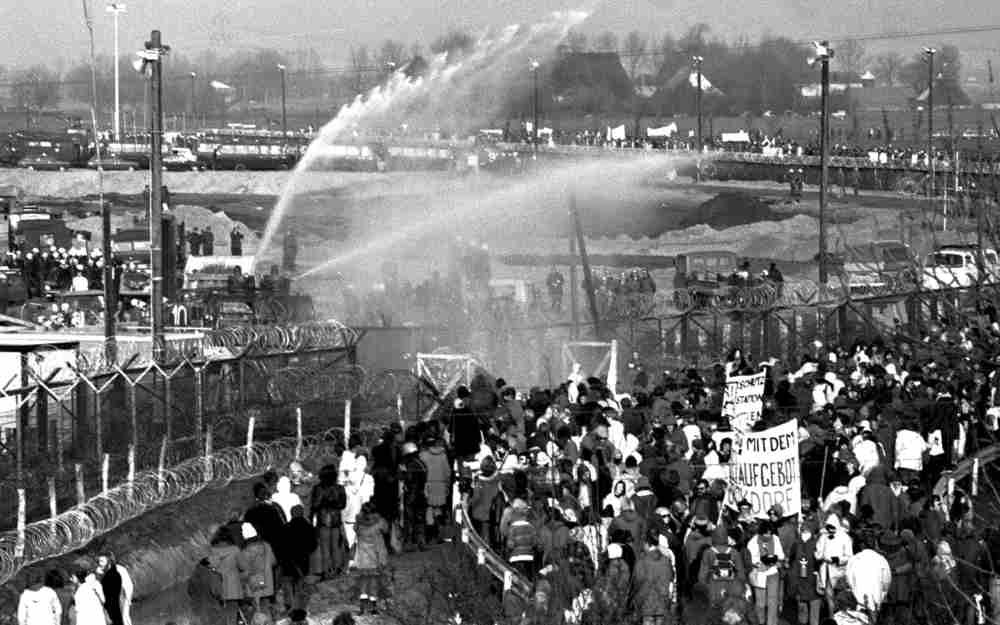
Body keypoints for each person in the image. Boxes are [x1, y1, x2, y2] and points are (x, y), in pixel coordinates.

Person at [309, 464, 347, 580]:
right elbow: (342, 505)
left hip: (323, 520)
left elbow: (314, 506)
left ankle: (327, 571)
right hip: (336, 520)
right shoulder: (339, 488)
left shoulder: (318, 488)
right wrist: (333, 503)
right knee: (335, 547)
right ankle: (336, 570)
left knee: (325, 548)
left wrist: (323, 503)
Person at [352, 502, 389, 615]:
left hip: (362, 558)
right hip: (376, 557)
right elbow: (386, 530)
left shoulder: (359, 524)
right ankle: (373, 608)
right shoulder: (379, 523)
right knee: (374, 583)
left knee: (362, 583)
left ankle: (362, 607)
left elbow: (355, 530)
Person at [238, 522, 276, 616]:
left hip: (254, 583)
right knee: (265, 608)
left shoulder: (246, 550)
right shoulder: (266, 545)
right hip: (267, 583)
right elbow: (273, 561)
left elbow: (244, 568)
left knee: (256, 611)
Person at [400, 441, 428, 551]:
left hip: (412, 495)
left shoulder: (410, 465)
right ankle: (421, 542)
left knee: (410, 520)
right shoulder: (422, 463)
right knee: (420, 520)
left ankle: (409, 543)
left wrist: (403, 474)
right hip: (421, 495)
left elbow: (410, 480)